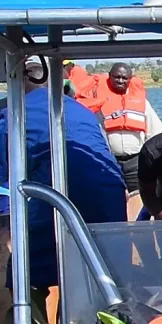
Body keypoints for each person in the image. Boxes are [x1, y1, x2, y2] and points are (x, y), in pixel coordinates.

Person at [0, 63, 127, 295]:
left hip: (65, 193)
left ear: (18, 81)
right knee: (103, 273)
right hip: (111, 196)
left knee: (23, 271)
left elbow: (4, 176)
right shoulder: (82, 111)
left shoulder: (13, 115)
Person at [93, 62, 162, 201]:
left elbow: (156, 135)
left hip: (136, 162)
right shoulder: (98, 104)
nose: (120, 80)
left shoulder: (142, 103)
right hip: (109, 161)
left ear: (130, 80)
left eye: (124, 78)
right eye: (117, 77)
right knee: (111, 199)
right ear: (109, 77)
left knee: (143, 200)